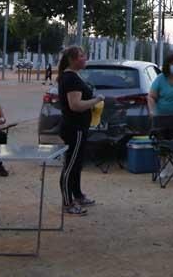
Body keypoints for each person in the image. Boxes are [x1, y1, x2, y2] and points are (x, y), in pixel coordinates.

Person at [58, 46, 104, 216]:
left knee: (77, 164)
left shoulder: (75, 77)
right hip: (74, 128)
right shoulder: (70, 79)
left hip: (80, 127)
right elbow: (75, 105)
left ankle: (78, 195)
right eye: (81, 56)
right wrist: (95, 100)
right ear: (72, 59)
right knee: (70, 165)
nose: (85, 59)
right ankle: (68, 202)